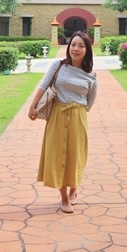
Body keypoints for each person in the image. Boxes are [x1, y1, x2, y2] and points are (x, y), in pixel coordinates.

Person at [28, 31, 98, 214]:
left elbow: (90, 101)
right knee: (58, 154)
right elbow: (44, 86)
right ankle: (64, 197)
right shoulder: (58, 66)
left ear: (87, 50)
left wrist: (78, 110)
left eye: (81, 46)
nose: (76, 49)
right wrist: (32, 106)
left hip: (78, 116)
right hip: (58, 114)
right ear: (69, 47)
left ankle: (75, 188)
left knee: (76, 154)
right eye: (73, 44)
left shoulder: (91, 75)